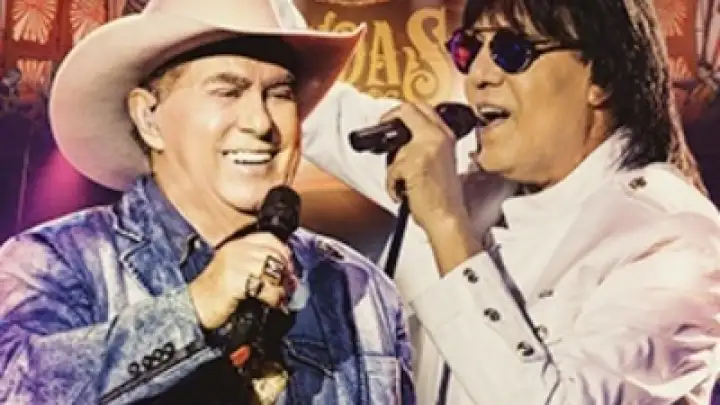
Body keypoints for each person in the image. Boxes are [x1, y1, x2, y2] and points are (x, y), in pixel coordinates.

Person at [278, 0, 720, 403]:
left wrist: (447, 225)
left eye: (512, 51)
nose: (479, 74)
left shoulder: (677, 241)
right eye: (469, 49)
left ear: (601, 77)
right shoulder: (464, 176)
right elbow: (313, 103)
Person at [0, 0, 415, 404]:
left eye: (279, 93)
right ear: (149, 118)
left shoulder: (360, 289)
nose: (260, 122)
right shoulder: (57, 261)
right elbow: (16, 385)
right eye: (227, 91)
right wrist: (193, 310)